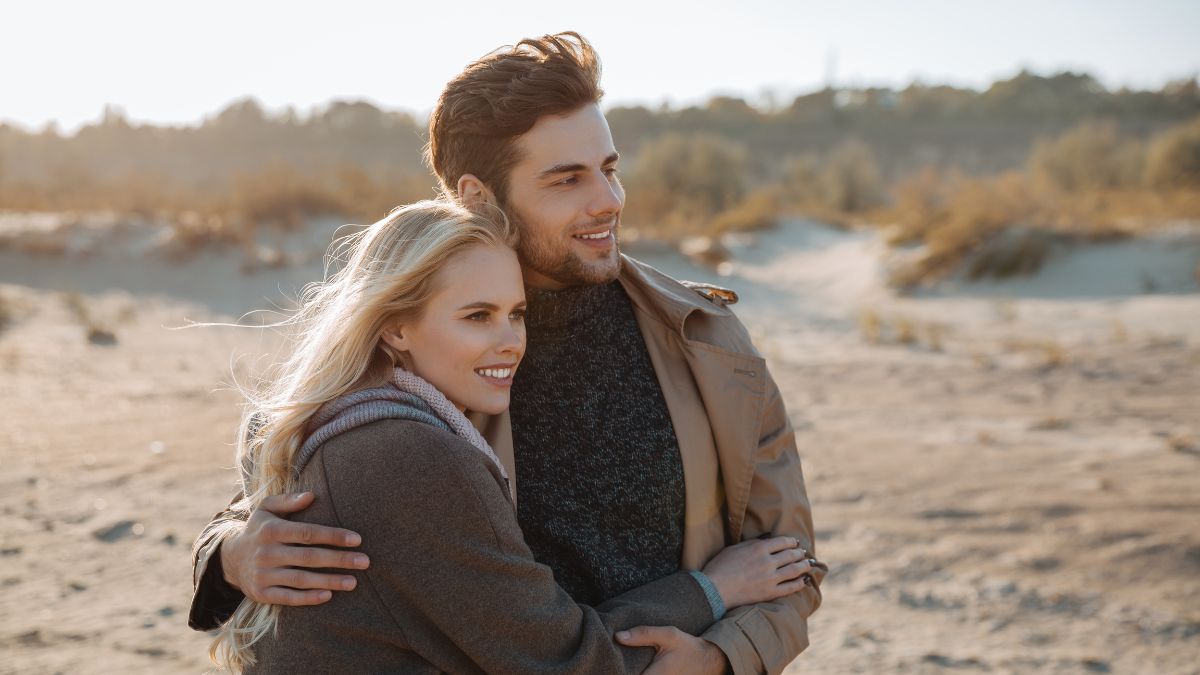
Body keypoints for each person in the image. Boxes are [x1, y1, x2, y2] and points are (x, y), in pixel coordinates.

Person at [192, 33, 826, 674]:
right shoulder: (415, 346)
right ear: (477, 197)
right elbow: (293, 476)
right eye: (566, 179)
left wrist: (720, 660)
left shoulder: (705, 337)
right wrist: (230, 552)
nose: (607, 200)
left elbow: (788, 562)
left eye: (609, 168)